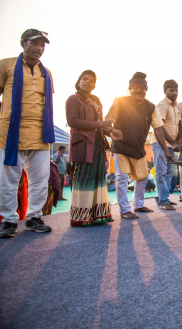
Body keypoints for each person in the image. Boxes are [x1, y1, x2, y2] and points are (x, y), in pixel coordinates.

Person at [0, 29, 55, 237]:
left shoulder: (46, 72)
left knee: (40, 179)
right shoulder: (5, 65)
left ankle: (34, 218)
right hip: (11, 134)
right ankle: (8, 220)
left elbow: (47, 104)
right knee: (8, 180)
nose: (39, 49)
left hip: (41, 135)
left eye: (43, 45)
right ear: (23, 43)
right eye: (35, 43)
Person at [105, 72, 172, 219]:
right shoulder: (119, 102)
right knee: (122, 178)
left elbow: (158, 129)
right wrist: (111, 131)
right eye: (135, 87)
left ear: (146, 90)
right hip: (120, 148)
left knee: (142, 178)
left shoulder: (151, 107)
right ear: (130, 89)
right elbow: (106, 123)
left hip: (138, 149)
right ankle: (124, 210)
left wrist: (166, 150)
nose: (138, 90)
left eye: (142, 87)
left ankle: (139, 205)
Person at [66, 70, 120, 227]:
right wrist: (99, 125)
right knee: (83, 178)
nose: (87, 82)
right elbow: (73, 121)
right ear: (79, 81)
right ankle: (81, 217)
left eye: (91, 80)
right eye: (84, 79)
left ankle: (98, 215)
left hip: (97, 144)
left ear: (95, 85)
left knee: (97, 179)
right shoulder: (73, 99)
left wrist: (112, 131)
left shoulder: (96, 100)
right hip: (82, 145)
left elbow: (101, 124)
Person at [151, 79, 182, 210]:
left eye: (176, 90)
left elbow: (179, 124)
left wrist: (180, 139)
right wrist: (172, 142)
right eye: (171, 90)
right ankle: (163, 201)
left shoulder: (177, 106)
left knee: (170, 172)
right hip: (160, 143)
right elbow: (159, 127)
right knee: (162, 172)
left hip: (171, 144)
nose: (174, 93)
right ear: (165, 91)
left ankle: (164, 198)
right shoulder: (162, 105)